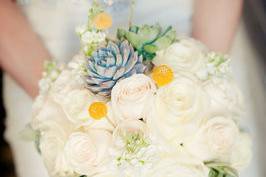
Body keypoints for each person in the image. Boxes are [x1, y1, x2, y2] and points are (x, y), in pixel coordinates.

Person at [0, 0, 262, 177]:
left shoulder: (201, 70)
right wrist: (59, 97)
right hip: (37, 54)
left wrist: (200, 76)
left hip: (201, 31)